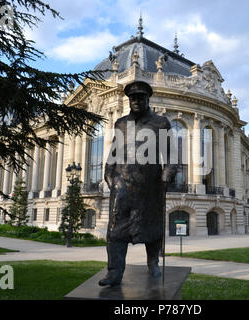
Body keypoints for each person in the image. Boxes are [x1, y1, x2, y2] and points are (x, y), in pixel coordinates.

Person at [99, 81, 177, 287]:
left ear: (147, 99)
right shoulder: (121, 124)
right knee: (116, 231)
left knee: (152, 229)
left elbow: (170, 156)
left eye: (140, 97)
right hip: (122, 186)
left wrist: (167, 174)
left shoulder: (161, 123)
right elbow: (112, 155)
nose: (136, 101)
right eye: (132, 98)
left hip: (150, 186)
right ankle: (114, 272)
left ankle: (153, 262)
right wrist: (110, 177)